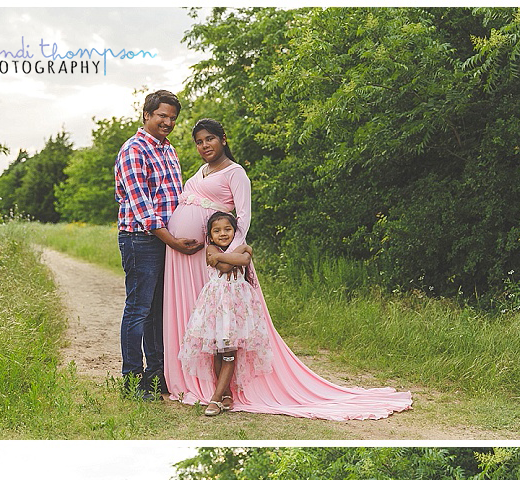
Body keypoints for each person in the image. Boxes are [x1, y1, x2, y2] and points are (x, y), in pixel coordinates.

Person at [163, 119, 412, 419]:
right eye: (199, 141)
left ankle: (223, 391)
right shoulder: (199, 172)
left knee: (225, 330)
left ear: (224, 139)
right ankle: (201, 384)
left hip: (220, 265)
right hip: (188, 257)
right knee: (205, 326)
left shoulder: (236, 172)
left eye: (210, 139)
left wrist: (227, 257)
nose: (204, 146)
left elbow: (243, 219)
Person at [115, 90, 202, 399]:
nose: (168, 122)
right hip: (141, 240)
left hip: (166, 240)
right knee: (138, 309)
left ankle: (156, 376)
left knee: (159, 311)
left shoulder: (169, 150)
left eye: (173, 118)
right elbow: (143, 211)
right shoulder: (134, 150)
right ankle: (131, 379)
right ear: (147, 115)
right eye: (162, 116)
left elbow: (176, 196)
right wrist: (175, 242)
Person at [178, 211, 271, 415]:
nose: (223, 233)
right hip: (216, 305)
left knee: (229, 351)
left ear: (235, 231)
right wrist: (236, 251)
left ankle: (215, 399)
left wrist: (223, 256)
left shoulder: (226, 251)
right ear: (210, 235)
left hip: (236, 307)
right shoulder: (211, 248)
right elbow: (229, 265)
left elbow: (243, 262)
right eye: (217, 230)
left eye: (228, 229)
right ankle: (226, 393)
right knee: (218, 352)